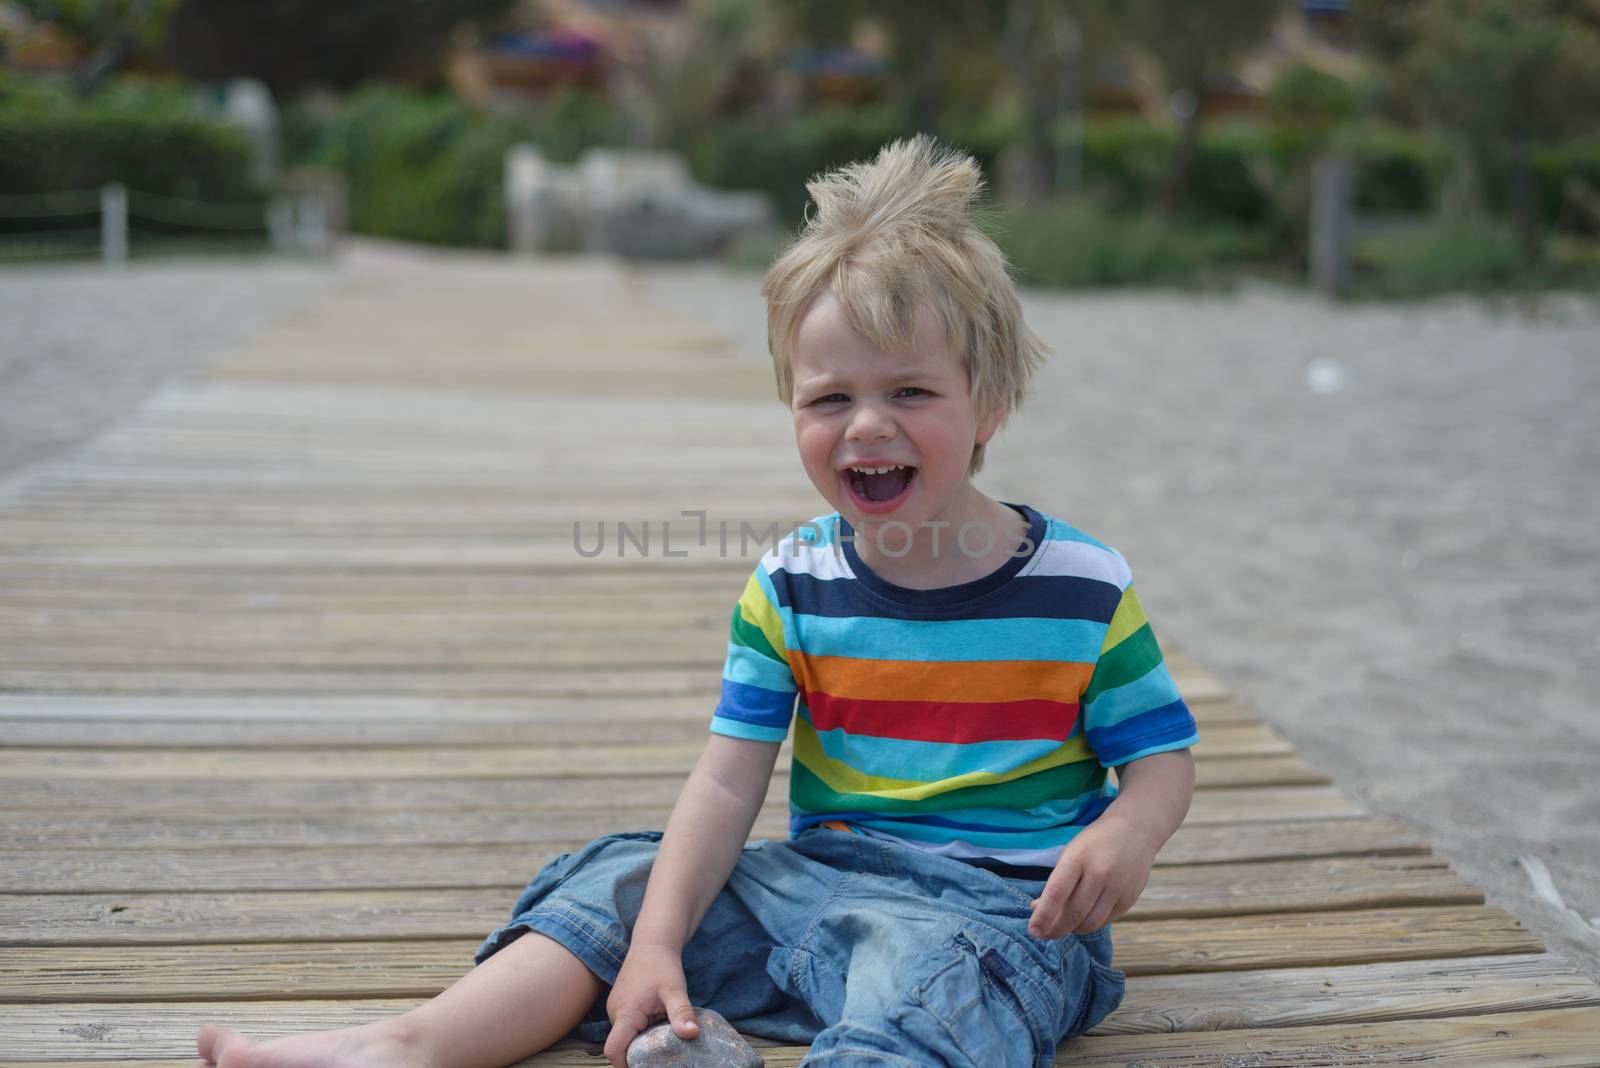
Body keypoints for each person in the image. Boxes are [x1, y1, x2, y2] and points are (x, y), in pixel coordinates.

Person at [191, 135, 1198, 1068]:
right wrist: (660, 941)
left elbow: (1159, 764)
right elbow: (725, 788)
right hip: (812, 894)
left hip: (1000, 921)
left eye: (909, 393)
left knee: (927, 990)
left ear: (990, 402)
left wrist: (1125, 835)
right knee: (625, 883)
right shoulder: (791, 586)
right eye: (828, 399)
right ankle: (411, 1044)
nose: (866, 427)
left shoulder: (1079, 586)